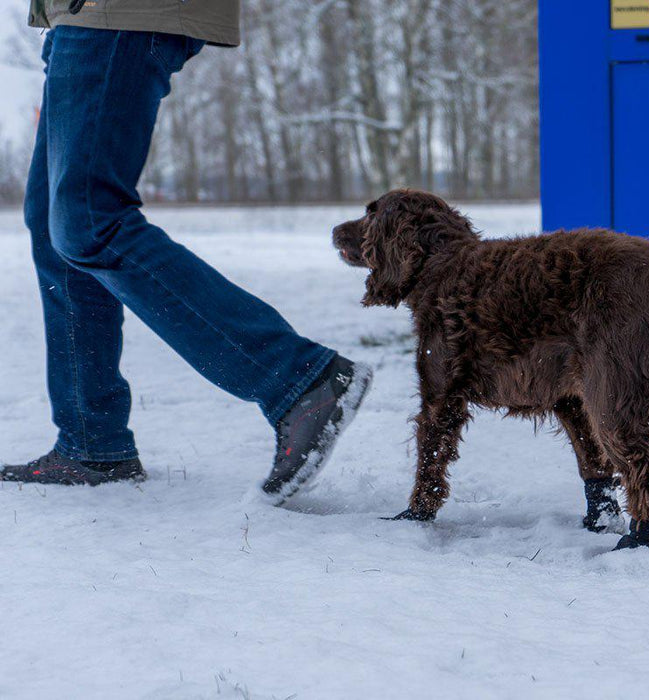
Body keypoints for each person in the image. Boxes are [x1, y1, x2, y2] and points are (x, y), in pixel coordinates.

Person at [1, 1, 372, 504]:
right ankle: (91, 442)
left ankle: (297, 378)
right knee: (56, 229)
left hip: (114, 12)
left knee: (88, 221)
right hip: (81, 17)